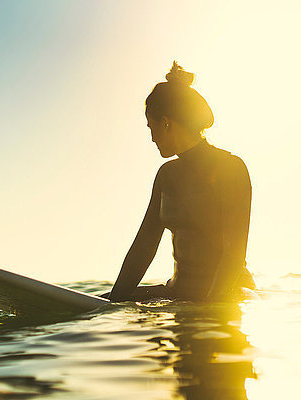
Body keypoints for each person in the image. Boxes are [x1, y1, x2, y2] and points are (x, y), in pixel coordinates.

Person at [106, 62, 255, 302]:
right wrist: (110, 304)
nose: (151, 137)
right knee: (104, 303)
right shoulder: (166, 176)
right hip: (179, 293)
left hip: (228, 294)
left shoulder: (232, 168)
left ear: (166, 122)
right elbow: (143, 247)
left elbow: (233, 254)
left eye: (150, 126)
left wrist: (208, 309)